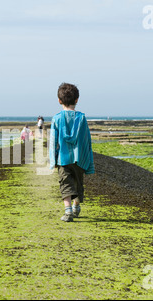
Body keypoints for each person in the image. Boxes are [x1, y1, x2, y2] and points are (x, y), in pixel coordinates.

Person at [49, 83, 95, 222]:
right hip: (80, 157)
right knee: (78, 183)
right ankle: (76, 206)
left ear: (59, 100)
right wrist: (89, 160)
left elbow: (53, 142)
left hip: (63, 158)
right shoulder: (81, 118)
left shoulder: (56, 119)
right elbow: (86, 139)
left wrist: (53, 159)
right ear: (76, 100)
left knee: (65, 183)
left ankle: (68, 211)